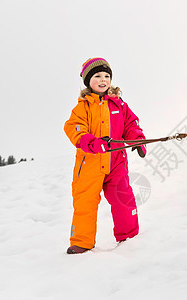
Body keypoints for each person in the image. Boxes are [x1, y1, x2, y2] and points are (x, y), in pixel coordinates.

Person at [64, 57, 146, 254]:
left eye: (107, 76)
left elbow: (130, 124)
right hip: (89, 164)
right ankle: (82, 242)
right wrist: (92, 142)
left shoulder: (119, 104)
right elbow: (75, 129)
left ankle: (129, 237)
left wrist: (137, 139)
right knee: (85, 202)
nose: (103, 80)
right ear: (88, 81)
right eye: (98, 76)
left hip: (116, 162)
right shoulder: (82, 107)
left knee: (122, 197)